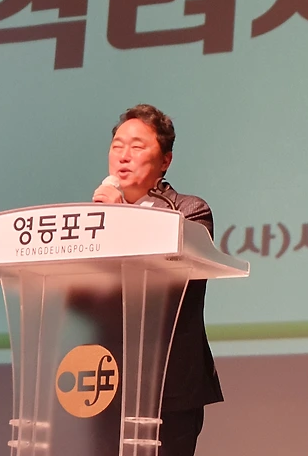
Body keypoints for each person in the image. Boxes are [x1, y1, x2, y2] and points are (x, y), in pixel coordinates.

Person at [92, 104, 222, 456]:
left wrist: (121, 215)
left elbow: (170, 283)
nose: (124, 156)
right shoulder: (92, 220)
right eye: (117, 146)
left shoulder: (188, 211)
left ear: (165, 161)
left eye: (137, 147)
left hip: (168, 385)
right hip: (102, 381)